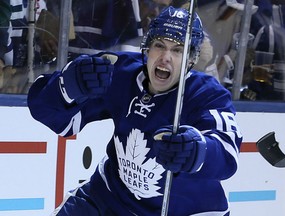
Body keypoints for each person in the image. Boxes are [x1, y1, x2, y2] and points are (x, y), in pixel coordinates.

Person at [28, 6, 242, 216]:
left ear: (191, 60)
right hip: (108, 198)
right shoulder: (120, 71)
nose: (166, 57)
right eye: (160, 45)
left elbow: (227, 152)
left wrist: (199, 151)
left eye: (178, 50)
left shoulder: (207, 94)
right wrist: (68, 86)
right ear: (147, 49)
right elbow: (48, 112)